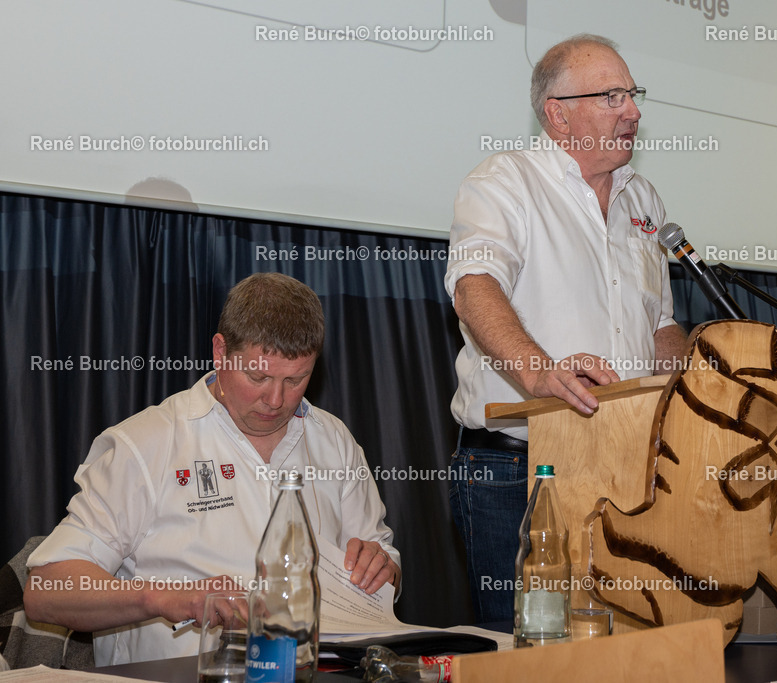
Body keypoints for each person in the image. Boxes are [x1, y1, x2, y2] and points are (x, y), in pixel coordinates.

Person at [24, 273, 401, 665]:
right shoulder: (147, 444)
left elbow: (380, 554)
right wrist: (163, 597)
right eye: (258, 377)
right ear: (220, 353)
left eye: (296, 379)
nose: (275, 399)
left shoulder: (334, 440)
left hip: (316, 669)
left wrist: (383, 564)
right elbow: (46, 590)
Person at [445, 34, 688, 621]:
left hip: (627, 470)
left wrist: (690, 389)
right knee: (529, 653)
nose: (632, 111)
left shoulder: (644, 201)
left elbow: (661, 324)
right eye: (611, 96)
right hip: (520, 471)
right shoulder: (506, 181)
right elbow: (474, 285)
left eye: (632, 95)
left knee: (623, 646)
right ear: (557, 114)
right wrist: (540, 371)